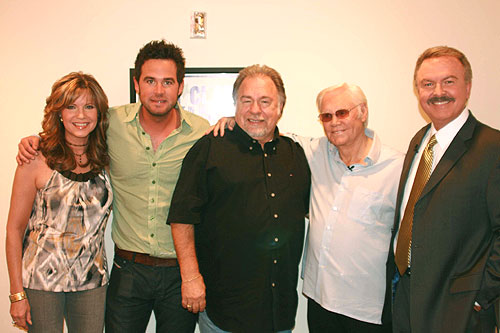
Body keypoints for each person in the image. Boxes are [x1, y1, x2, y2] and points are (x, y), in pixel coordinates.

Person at [16, 40, 210, 332]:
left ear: (180, 86)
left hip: (178, 272)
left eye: (168, 82)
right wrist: (36, 141)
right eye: (150, 81)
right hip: (128, 270)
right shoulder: (112, 124)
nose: (159, 91)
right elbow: (76, 127)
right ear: (136, 83)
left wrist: (234, 122)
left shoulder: (201, 131)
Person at [211, 83, 403, 332]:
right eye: (326, 116)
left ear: (363, 112)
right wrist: (238, 120)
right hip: (320, 300)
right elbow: (267, 132)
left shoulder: (397, 167)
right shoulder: (314, 151)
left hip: (366, 308)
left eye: (342, 113)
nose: (334, 122)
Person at [167, 64, 311, 333]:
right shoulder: (209, 148)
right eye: (247, 101)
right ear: (235, 105)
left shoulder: (296, 155)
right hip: (225, 311)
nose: (255, 110)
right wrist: (190, 277)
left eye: (265, 101)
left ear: (280, 107)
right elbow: (182, 217)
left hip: (278, 313)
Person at [384, 46, 500, 332]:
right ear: (417, 91)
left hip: (458, 308)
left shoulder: (492, 148)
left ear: (468, 86)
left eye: (448, 81)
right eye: (427, 84)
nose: (438, 91)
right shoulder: (419, 141)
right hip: (406, 295)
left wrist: (481, 296)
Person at [6, 72, 112, 332]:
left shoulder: (106, 159)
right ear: (59, 112)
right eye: (71, 106)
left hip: (92, 282)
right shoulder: (35, 159)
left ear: (98, 114)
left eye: (89, 107)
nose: (81, 115)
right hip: (42, 282)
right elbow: (14, 230)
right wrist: (17, 294)